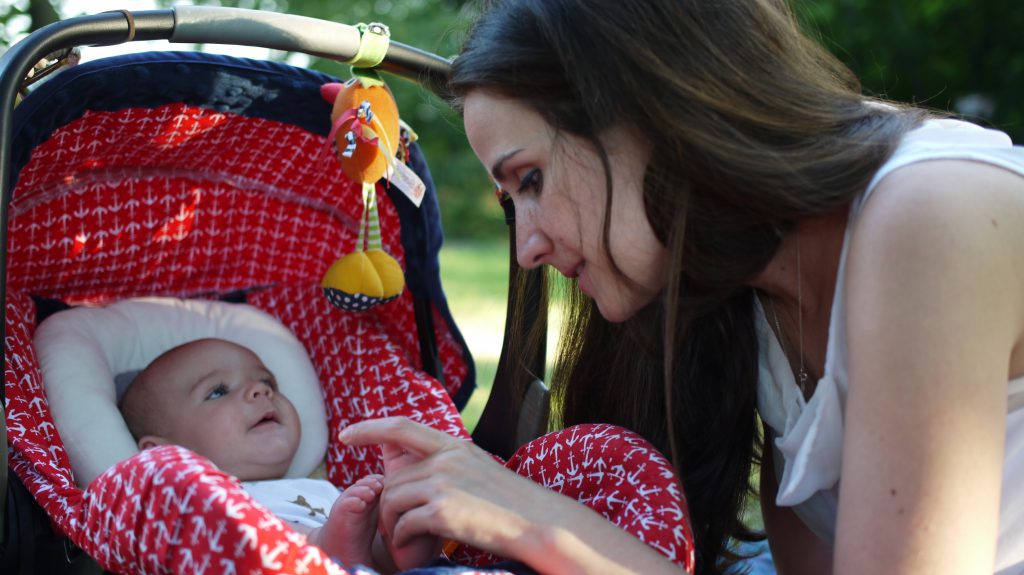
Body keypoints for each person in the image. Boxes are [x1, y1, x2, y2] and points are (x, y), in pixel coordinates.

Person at [338, 0, 1024, 574]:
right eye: (509, 205)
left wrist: (538, 521)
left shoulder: (931, 213)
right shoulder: (747, 287)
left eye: (532, 181)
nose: (527, 248)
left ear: (655, 110)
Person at [118, 337, 438, 573]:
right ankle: (322, 547)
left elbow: (369, 558)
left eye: (267, 382)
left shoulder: (322, 490)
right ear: (163, 453)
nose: (262, 391)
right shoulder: (190, 508)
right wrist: (326, 542)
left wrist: (397, 524)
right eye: (218, 390)